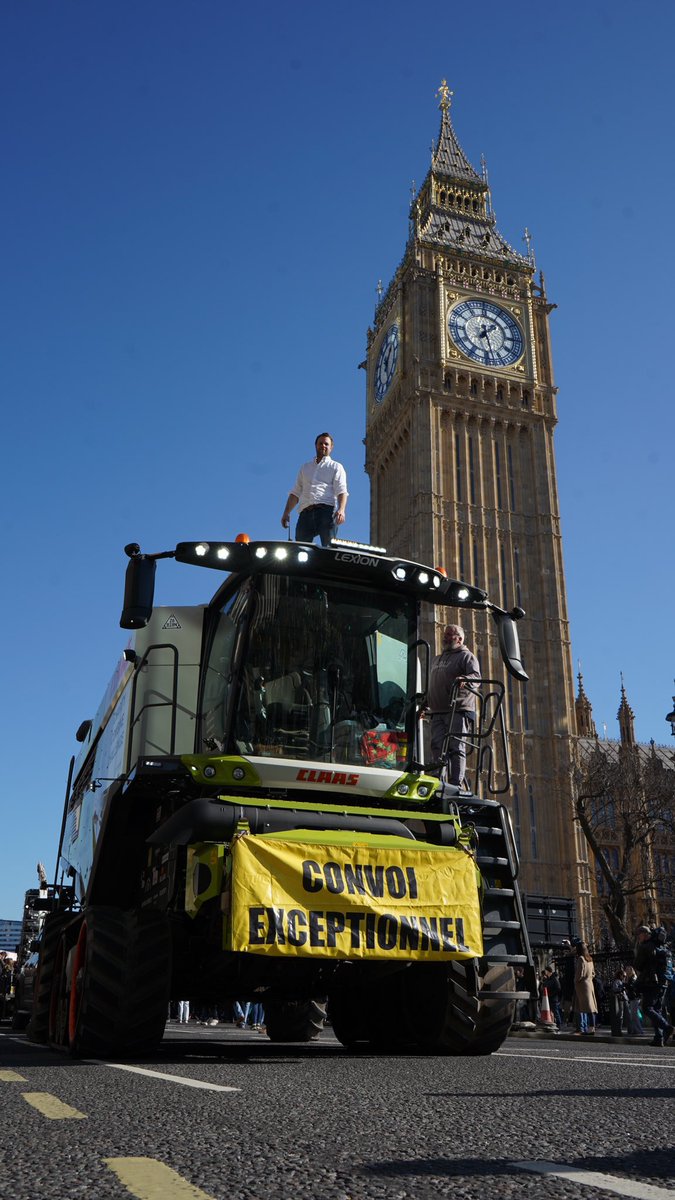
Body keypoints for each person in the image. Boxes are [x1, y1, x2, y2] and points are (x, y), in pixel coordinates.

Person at [428, 624, 480, 785]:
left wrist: (466, 679)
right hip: (437, 711)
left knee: (456, 747)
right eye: (445, 634)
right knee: (437, 746)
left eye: (450, 635)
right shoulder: (437, 659)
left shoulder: (466, 656)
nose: (445, 637)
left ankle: (455, 783)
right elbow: (433, 685)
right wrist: (424, 706)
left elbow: (477, 677)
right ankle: (437, 780)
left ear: (460, 639)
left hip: (458, 709)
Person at [281, 432, 348, 547]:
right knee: (300, 549)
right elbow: (296, 492)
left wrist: (341, 510)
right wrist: (286, 513)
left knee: (328, 548)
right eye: (320, 443)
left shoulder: (336, 467)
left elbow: (341, 490)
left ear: (331, 447)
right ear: (316, 445)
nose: (323, 446)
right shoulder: (305, 467)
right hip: (305, 514)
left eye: (326, 444)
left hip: (326, 512)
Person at [634, 924, 674, 1047]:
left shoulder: (646, 946)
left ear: (645, 934)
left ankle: (667, 1027)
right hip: (664, 981)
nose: (638, 937)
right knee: (657, 1009)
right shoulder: (661, 946)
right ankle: (658, 1038)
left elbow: (638, 965)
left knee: (647, 1008)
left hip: (651, 982)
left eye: (639, 935)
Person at [573, 941, 598, 1034]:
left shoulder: (581, 959)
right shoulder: (590, 959)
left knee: (586, 1007)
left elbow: (580, 973)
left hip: (582, 986)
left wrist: (575, 980)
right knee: (591, 1007)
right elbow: (593, 973)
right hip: (589, 984)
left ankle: (588, 1028)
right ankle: (591, 1027)